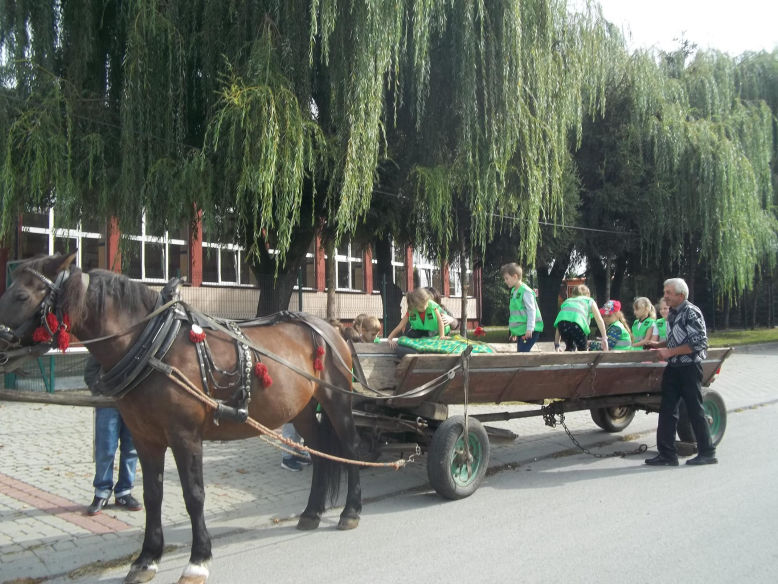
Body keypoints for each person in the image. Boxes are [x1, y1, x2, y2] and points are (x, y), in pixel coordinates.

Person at [644, 278, 717, 466]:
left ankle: (707, 453)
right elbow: (677, 339)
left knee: (695, 410)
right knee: (667, 410)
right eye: (665, 291)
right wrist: (659, 344)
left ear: (681, 295)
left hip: (689, 368)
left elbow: (699, 342)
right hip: (674, 368)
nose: (665, 296)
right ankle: (667, 455)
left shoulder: (691, 312)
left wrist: (669, 352)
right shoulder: (674, 313)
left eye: (668, 293)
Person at [85, 356, 143, 515]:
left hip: (132, 402)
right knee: (105, 448)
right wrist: (98, 389)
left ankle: (124, 492)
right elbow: (90, 369)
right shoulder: (108, 339)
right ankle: (101, 492)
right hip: (107, 402)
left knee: (131, 449)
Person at [500, 263, 543, 352]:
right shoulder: (513, 291)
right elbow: (515, 314)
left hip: (530, 330)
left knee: (522, 354)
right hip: (522, 330)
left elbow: (531, 311)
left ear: (515, 276)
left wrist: (530, 328)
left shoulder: (526, 291)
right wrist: (514, 332)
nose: (505, 281)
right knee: (521, 353)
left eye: (506, 278)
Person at [553, 284, 609, 352]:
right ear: (588, 294)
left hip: (563, 326)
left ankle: (569, 358)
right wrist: (604, 338)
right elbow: (599, 320)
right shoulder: (589, 300)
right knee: (583, 350)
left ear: (573, 294)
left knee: (570, 348)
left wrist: (557, 344)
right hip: (578, 325)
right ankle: (584, 361)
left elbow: (560, 321)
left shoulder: (567, 301)